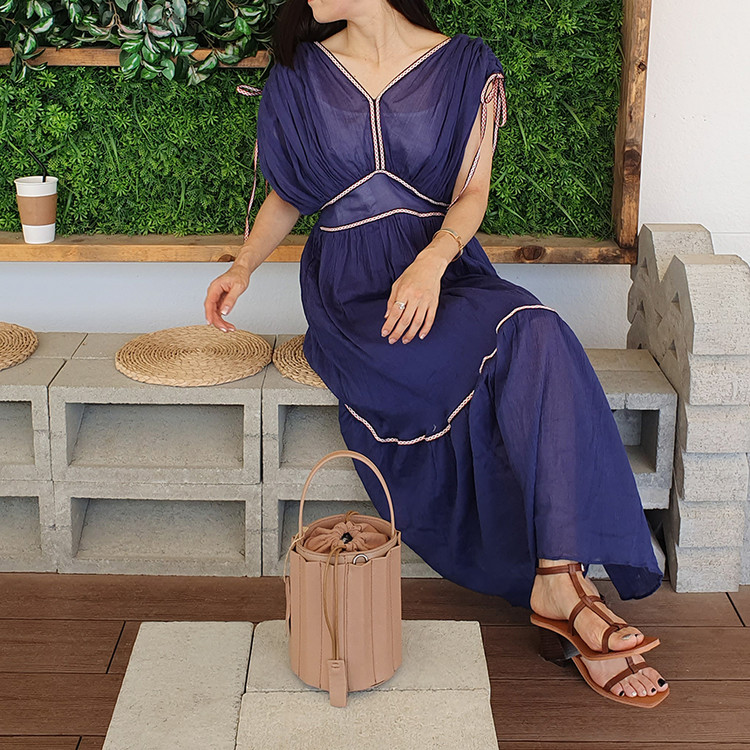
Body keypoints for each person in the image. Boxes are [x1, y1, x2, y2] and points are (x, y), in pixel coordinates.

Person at [204, 0, 669, 707]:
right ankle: (571, 598)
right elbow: (286, 197)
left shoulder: (467, 66)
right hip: (353, 293)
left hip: (445, 273)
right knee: (499, 350)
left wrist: (431, 262)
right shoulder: (299, 73)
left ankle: (558, 578)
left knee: (536, 327)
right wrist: (242, 266)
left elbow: (472, 191)